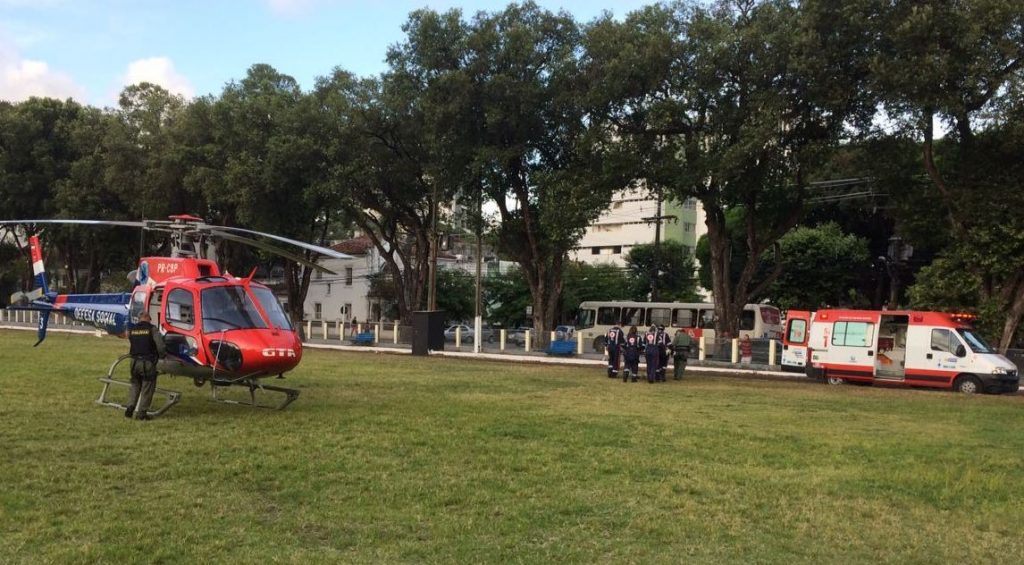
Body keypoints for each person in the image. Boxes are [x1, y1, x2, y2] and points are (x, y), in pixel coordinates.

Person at [125, 311, 166, 420]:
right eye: (150, 318)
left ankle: (130, 407)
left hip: (133, 362)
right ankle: (141, 414)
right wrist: (162, 356)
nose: (151, 320)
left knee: (135, 385)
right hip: (147, 362)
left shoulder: (132, 330)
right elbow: (160, 346)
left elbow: (131, 341)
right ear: (147, 317)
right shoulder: (152, 329)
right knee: (147, 388)